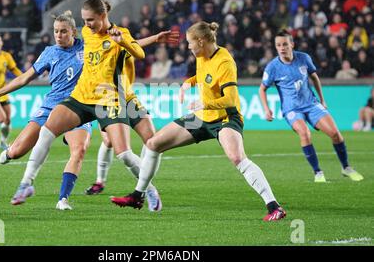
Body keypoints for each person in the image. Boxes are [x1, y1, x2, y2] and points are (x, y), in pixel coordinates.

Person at [111, 21, 287, 221]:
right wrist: (189, 83)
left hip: (225, 117)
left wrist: (204, 103)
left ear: (201, 41)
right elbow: (205, 76)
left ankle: (274, 207)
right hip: (202, 118)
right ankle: (138, 196)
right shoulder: (202, 55)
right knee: (153, 144)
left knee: (238, 158)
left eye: (189, 43)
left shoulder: (225, 62)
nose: (188, 47)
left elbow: (229, 99)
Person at [3, 0, 162, 211]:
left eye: (90, 20)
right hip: (81, 97)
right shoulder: (87, 34)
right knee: (47, 130)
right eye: (84, 20)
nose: (86, 25)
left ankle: (149, 190)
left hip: (108, 99)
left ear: (103, 16)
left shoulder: (120, 33)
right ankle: (26, 183)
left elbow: (139, 53)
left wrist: (122, 41)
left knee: (124, 154)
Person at [0, 11, 92, 210]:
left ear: (73, 32)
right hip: (50, 107)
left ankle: (63, 199)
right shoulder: (49, 52)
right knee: (17, 152)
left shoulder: (87, 48)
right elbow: (25, 78)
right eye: (56, 31)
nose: (58, 35)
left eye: (63, 32)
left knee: (79, 150)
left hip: (79, 107)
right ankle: (9, 152)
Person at [84, 30, 180, 212]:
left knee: (154, 142)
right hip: (105, 98)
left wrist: (155, 38)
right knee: (116, 147)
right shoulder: (90, 39)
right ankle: (148, 190)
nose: (90, 23)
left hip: (127, 96)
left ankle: (141, 189)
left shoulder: (118, 34)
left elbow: (133, 45)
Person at [259, 29, 364, 183]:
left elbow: (314, 78)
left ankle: (346, 167)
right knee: (305, 133)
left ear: (292, 45)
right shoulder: (272, 67)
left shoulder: (304, 58)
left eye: (285, 44)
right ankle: (318, 172)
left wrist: (322, 100)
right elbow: (262, 88)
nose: (282, 48)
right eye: (278, 45)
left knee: (335, 134)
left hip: (311, 104)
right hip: (292, 109)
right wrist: (266, 109)